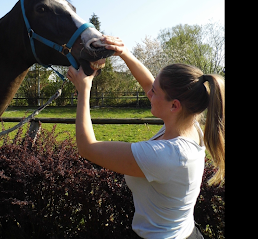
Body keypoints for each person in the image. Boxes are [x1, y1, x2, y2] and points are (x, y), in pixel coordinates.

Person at [66, 35, 225, 239]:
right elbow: (148, 82)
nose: (148, 92)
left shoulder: (166, 155)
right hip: (187, 234)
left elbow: (87, 147)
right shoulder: (188, 126)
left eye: (154, 91)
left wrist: (84, 90)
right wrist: (123, 52)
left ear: (174, 105)